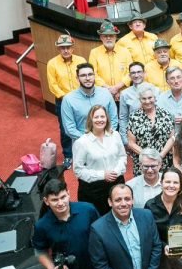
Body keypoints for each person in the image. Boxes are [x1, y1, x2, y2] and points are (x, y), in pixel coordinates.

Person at [33, 178, 102, 269]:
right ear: (46, 201)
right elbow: (40, 251)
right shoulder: (42, 225)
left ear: (69, 194)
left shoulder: (88, 210)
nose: (60, 203)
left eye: (63, 197)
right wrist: (52, 268)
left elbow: (101, 234)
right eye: (55, 200)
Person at [73, 105, 127, 215]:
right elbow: (78, 170)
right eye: (96, 117)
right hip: (94, 190)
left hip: (116, 183)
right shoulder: (82, 142)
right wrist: (102, 175)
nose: (100, 120)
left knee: (119, 216)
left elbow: (122, 156)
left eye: (102, 116)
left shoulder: (115, 135)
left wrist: (116, 171)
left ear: (107, 118)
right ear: (90, 119)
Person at [46, 34, 86, 169]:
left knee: (84, 125)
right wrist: (67, 98)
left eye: (68, 47)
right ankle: (68, 155)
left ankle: (85, 152)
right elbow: (53, 85)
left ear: (73, 48)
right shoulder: (52, 63)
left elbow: (85, 79)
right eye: (62, 48)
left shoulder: (81, 60)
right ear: (58, 49)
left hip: (81, 99)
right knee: (65, 129)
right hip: (63, 101)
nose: (66, 50)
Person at [61, 63, 118, 156]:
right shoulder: (68, 99)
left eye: (90, 74)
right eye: (83, 75)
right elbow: (69, 128)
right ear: (77, 78)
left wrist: (105, 136)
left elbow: (114, 119)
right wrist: (91, 140)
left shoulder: (106, 94)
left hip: (106, 142)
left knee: (109, 169)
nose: (87, 78)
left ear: (94, 76)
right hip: (83, 145)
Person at [127, 84, 175, 175]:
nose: (147, 101)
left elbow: (171, 138)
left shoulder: (166, 114)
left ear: (155, 98)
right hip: (143, 164)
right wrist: (148, 157)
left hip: (163, 162)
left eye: (150, 97)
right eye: (144, 98)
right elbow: (131, 143)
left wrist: (160, 156)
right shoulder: (134, 117)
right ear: (139, 100)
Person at [89, 20, 132, 100]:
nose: (108, 38)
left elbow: (130, 72)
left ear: (115, 37)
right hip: (102, 94)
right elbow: (92, 74)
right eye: (105, 36)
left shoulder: (125, 51)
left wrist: (117, 88)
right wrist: (108, 89)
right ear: (101, 37)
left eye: (111, 36)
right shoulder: (94, 52)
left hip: (123, 94)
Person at [118, 62, 158, 145]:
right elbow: (123, 118)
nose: (136, 75)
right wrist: (125, 140)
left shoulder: (156, 90)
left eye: (139, 72)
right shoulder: (125, 94)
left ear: (144, 73)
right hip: (134, 137)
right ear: (129, 76)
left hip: (155, 135)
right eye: (133, 73)